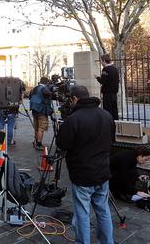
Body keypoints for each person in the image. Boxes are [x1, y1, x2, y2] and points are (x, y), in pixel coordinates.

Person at [57, 85, 116, 244]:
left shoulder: (73, 119)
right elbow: (112, 140)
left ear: (74, 99)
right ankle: (107, 241)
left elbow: (62, 145)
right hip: (102, 172)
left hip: (82, 174)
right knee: (103, 211)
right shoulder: (106, 115)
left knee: (82, 213)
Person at [29, 77, 53, 150]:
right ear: (47, 83)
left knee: (36, 127)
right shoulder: (44, 88)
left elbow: (30, 97)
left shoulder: (34, 88)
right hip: (41, 110)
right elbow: (48, 95)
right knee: (41, 128)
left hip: (34, 109)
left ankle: (36, 141)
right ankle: (39, 144)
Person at [96, 54, 119, 121]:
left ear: (104, 61)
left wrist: (97, 78)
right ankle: (116, 123)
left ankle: (109, 124)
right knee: (114, 110)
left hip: (107, 93)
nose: (101, 63)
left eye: (101, 61)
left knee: (107, 110)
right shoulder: (115, 69)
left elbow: (103, 81)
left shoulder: (105, 69)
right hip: (114, 93)